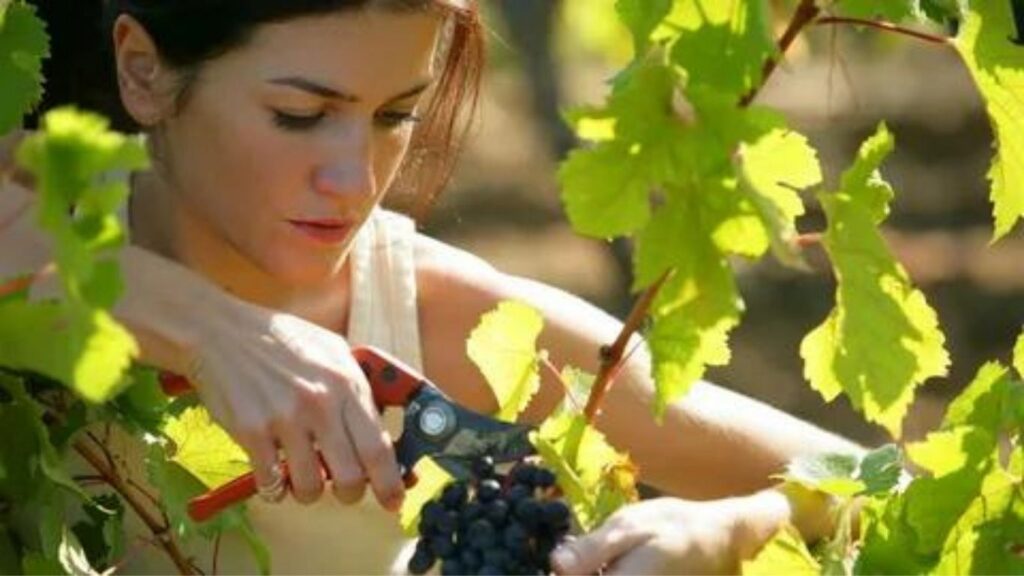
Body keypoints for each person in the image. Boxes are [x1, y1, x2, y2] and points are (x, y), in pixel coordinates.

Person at [0, 1, 865, 573]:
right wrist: (211, 328)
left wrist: (731, 528)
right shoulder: (38, 210)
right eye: (299, 116)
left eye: (393, 116)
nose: (354, 178)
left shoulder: (455, 324)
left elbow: (877, 475)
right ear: (143, 71)